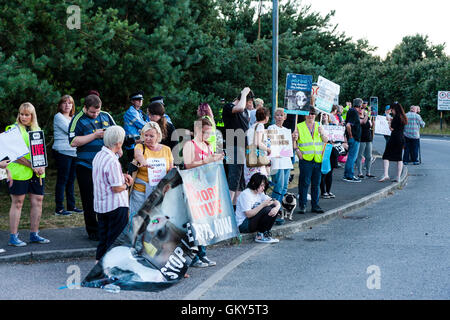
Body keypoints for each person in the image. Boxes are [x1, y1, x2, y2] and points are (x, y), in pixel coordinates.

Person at [68, 94, 116, 241]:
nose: (95, 114)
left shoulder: (106, 116)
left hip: (105, 165)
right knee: (89, 199)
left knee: (106, 197)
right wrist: (95, 135)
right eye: (92, 112)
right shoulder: (77, 119)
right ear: (85, 108)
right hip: (85, 165)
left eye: (97, 111)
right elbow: (73, 142)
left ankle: (106, 227)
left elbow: (116, 133)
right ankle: (92, 230)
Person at [6, 103, 49, 246]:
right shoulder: (12, 130)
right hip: (18, 173)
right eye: (21, 114)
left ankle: (34, 234)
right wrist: (32, 165)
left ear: (32, 116)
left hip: (37, 173)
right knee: (17, 203)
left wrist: (41, 165)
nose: (23, 117)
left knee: (38, 201)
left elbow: (40, 152)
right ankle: (13, 237)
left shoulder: (37, 129)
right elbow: (13, 154)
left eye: (27, 114)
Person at [182, 117, 224, 267]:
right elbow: (188, 165)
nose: (207, 136)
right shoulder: (190, 144)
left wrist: (217, 160)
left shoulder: (208, 145)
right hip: (193, 187)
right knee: (194, 223)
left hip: (206, 187)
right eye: (205, 132)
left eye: (209, 133)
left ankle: (202, 253)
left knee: (204, 222)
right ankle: (193, 257)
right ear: (198, 130)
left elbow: (210, 166)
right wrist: (207, 161)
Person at [92, 126, 133, 262]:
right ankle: (112, 268)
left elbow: (103, 176)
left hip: (101, 204)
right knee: (115, 240)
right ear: (118, 143)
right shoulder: (112, 161)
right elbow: (116, 188)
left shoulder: (99, 155)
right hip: (115, 205)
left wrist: (121, 176)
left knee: (103, 238)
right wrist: (128, 184)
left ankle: (98, 265)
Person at [129, 122, 174, 216]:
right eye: (146, 135)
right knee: (136, 218)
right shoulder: (140, 146)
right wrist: (143, 161)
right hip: (141, 191)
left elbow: (170, 169)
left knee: (154, 220)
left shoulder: (167, 150)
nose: (148, 138)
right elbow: (138, 154)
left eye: (151, 136)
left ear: (158, 136)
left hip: (159, 192)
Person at [222, 87, 254, 208]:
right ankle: (228, 208)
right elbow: (239, 107)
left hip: (243, 145)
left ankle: (237, 208)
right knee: (234, 177)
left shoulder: (245, 111)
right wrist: (244, 92)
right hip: (233, 144)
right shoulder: (229, 107)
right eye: (248, 102)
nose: (249, 106)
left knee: (241, 180)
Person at [52, 95, 83, 216]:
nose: (67, 105)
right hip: (62, 151)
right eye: (64, 103)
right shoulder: (58, 117)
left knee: (71, 180)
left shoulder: (74, 117)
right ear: (60, 105)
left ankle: (71, 206)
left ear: (72, 105)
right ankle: (59, 208)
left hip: (74, 152)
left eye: (70, 103)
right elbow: (71, 130)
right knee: (62, 179)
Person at [294, 107, 328, 213]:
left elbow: (326, 140)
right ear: (305, 115)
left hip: (317, 159)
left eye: (313, 113)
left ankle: (315, 205)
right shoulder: (299, 126)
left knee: (316, 184)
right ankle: (302, 205)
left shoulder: (319, 125)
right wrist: (297, 151)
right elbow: (294, 141)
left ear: (315, 115)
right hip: (305, 159)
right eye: (308, 113)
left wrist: (322, 133)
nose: (311, 115)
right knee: (304, 183)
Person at [235, 173, 280, 243]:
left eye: (264, 186)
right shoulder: (246, 194)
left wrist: (277, 208)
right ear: (254, 183)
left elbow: (274, 201)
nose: (263, 188)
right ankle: (260, 236)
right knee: (266, 209)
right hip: (243, 224)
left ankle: (265, 233)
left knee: (273, 207)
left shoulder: (260, 193)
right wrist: (262, 205)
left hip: (252, 221)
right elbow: (248, 214)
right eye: (261, 185)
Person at [267, 108, 293, 204]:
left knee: (285, 186)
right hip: (277, 159)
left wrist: (293, 138)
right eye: (277, 115)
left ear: (285, 117)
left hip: (286, 159)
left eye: (282, 115)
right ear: (274, 117)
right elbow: (270, 143)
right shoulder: (271, 128)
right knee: (279, 185)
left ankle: (280, 206)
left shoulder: (286, 130)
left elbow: (289, 145)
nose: (279, 117)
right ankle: (274, 205)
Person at [379, 102, 408, 182]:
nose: (392, 111)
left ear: (395, 109)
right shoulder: (403, 117)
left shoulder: (396, 117)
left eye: (392, 109)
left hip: (394, 137)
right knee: (399, 158)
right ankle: (398, 177)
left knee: (386, 156)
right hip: (401, 138)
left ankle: (386, 174)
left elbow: (391, 128)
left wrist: (389, 122)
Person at [244, 106, 271, 185]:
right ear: (266, 117)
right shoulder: (260, 126)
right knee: (259, 184)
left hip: (250, 157)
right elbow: (258, 142)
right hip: (257, 159)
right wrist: (268, 149)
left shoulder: (252, 126)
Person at [123, 90, 149, 163]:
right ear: (132, 101)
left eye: (141, 99)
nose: (140, 101)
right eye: (137, 100)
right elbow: (143, 125)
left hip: (138, 143)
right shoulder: (131, 112)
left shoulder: (139, 112)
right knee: (134, 167)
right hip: (132, 144)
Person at [343, 98, 362, 182]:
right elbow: (348, 125)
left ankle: (347, 174)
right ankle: (349, 175)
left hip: (353, 137)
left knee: (350, 157)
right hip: (354, 138)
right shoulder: (354, 112)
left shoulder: (351, 111)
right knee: (352, 157)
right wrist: (351, 136)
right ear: (360, 105)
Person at [320, 112, 338, 199]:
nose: (324, 116)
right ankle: (323, 191)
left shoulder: (333, 126)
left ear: (328, 116)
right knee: (323, 172)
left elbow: (338, 137)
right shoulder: (318, 126)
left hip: (331, 150)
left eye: (325, 115)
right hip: (323, 150)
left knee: (330, 172)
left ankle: (328, 190)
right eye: (322, 114)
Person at [355, 103, 375, 178]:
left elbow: (369, 125)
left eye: (362, 109)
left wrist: (373, 124)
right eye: (360, 109)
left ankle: (368, 172)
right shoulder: (357, 118)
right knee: (360, 156)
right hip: (361, 139)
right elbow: (363, 121)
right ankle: (360, 172)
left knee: (369, 156)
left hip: (368, 138)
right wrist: (367, 114)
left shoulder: (367, 117)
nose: (361, 110)